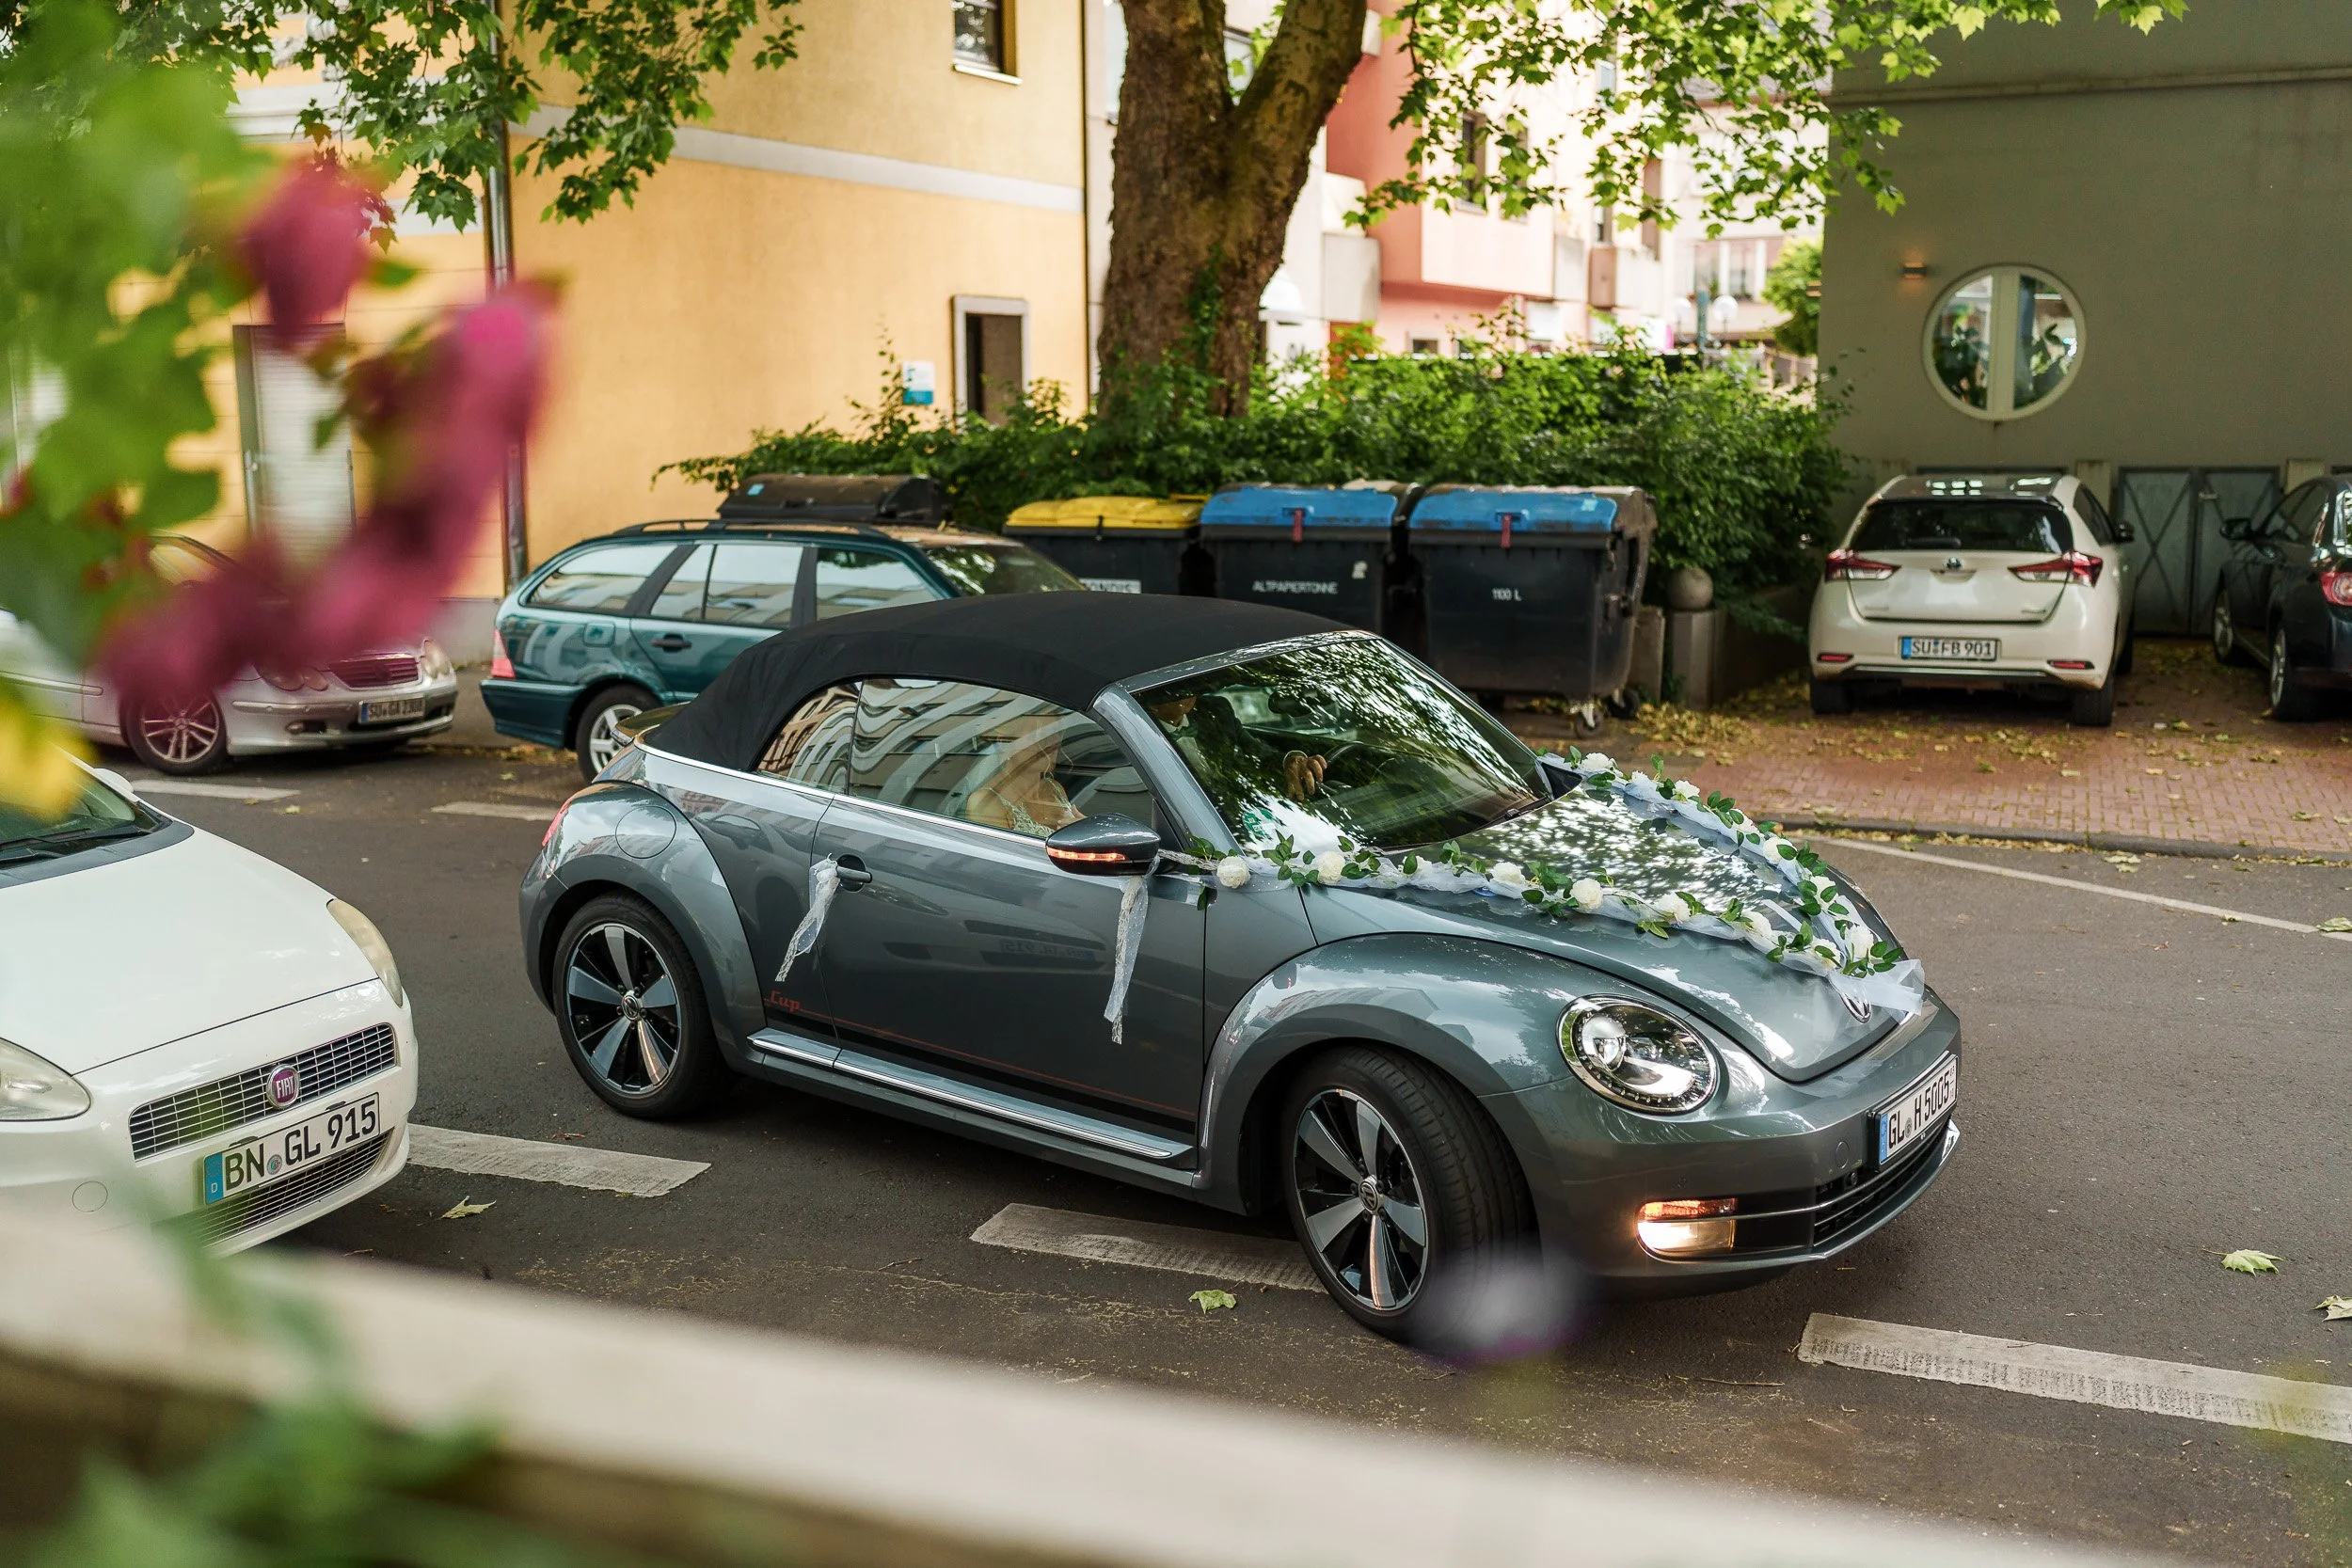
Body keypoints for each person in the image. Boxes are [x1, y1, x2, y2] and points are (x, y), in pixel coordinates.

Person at [1146, 691, 1326, 802]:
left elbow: (1257, 751)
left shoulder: (1216, 709)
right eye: (1176, 690)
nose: (1189, 692)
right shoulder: (1139, 731)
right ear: (1153, 706)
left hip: (1238, 802)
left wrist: (1291, 760)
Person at [966, 712, 1082, 838]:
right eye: (1037, 735)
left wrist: (1084, 832)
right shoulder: (987, 803)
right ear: (1005, 743)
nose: (1050, 743)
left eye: (1054, 732)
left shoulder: (1054, 788)